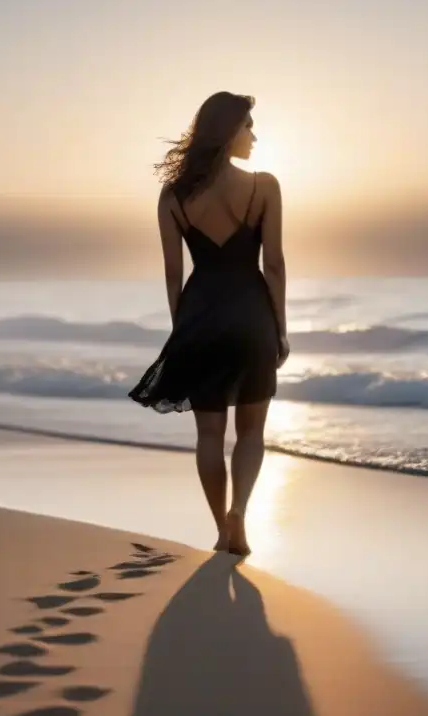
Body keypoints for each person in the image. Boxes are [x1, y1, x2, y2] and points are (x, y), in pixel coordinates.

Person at [128, 91, 289, 557]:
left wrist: (184, 331)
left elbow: (173, 274)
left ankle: (222, 529)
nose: (254, 136)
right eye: (248, 127)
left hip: (200, 317)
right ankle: (240, 512)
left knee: (209, 435)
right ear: (228, 131)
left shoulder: (173, 197)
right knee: (252, 432)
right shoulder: (265, 187)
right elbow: (274, 265)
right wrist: (280, 328)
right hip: (252, 316)